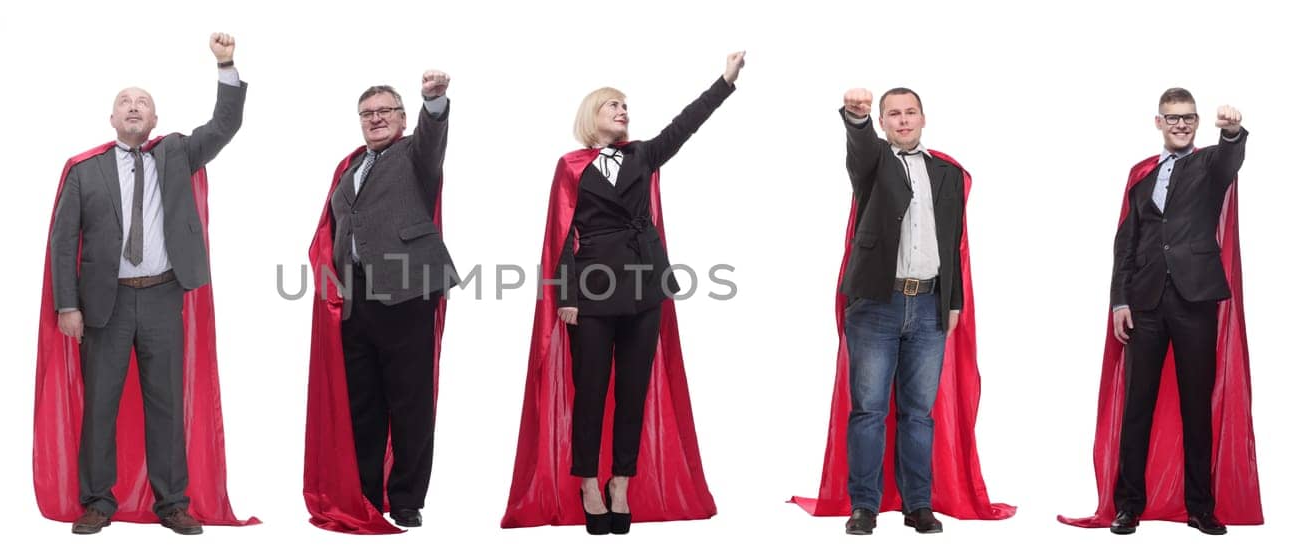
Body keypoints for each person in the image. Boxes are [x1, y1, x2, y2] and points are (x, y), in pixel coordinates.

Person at [500, 53, 742, 536]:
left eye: (625, 105)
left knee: (633, 390)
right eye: (613, 105)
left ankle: (621, 484)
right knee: (590, 390)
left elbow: (685, 124)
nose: (622, 110)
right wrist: (566, 296)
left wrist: (724, 82)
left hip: (645, 285)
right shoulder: (569, 165)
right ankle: (588, 483)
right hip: (590, 290)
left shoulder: (642, 155)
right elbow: (562, 234)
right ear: (592, 115)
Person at [46, 32, 247, 536]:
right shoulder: (83, 171)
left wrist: (225, 64)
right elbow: (62, 242)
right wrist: (67, 306)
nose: (134, 108)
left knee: (166, 403)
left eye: (143, 104)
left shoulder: (177, 153)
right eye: (124, 103)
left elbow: (226, 124)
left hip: (162, 295)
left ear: (155, 120)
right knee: (100, 406)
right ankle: (97, 501)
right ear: (112, 118)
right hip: (103, 305)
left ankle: (173, 502)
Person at [793, 86, 1014, 534]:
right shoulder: (874, 162)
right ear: (883, 121)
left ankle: (918, 504)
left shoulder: (947, 174)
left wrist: (953, 301)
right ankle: (865, 506)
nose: (903, 120)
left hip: (930, 304)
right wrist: (855, 120)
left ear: (923, 118)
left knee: (919, 413)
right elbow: (860, 148)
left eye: (910, 112)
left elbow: (955, 244)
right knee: (869, 410)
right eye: (892, 114)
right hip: (876, 303)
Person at [1060, 89, 1260, 535]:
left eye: (1188, 118)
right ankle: (1128, 505)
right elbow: (1125, 245)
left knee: (1196, 407)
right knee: (1137, 407)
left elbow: (1232, 159)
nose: (1181, 125)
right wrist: (1120, 301)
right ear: (1158, 122)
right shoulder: (1142, 176)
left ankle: (1200, 508)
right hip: (1145, 304)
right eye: (1172, 119)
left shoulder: (1209, 166)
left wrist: (1231, 131)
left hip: (1195, 301)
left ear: (1196, 122)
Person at [302, 71, 453, 533]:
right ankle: (366, 494)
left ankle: (407, 499)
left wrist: (435, 101)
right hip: (354, 298)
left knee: (409, 401)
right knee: (362, 403)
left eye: (385, 111)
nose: (376, 119)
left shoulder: (416, 154)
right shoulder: (349, 168)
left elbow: (433, 138)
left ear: (403, 118)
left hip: (408, 289)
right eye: (368, 113)